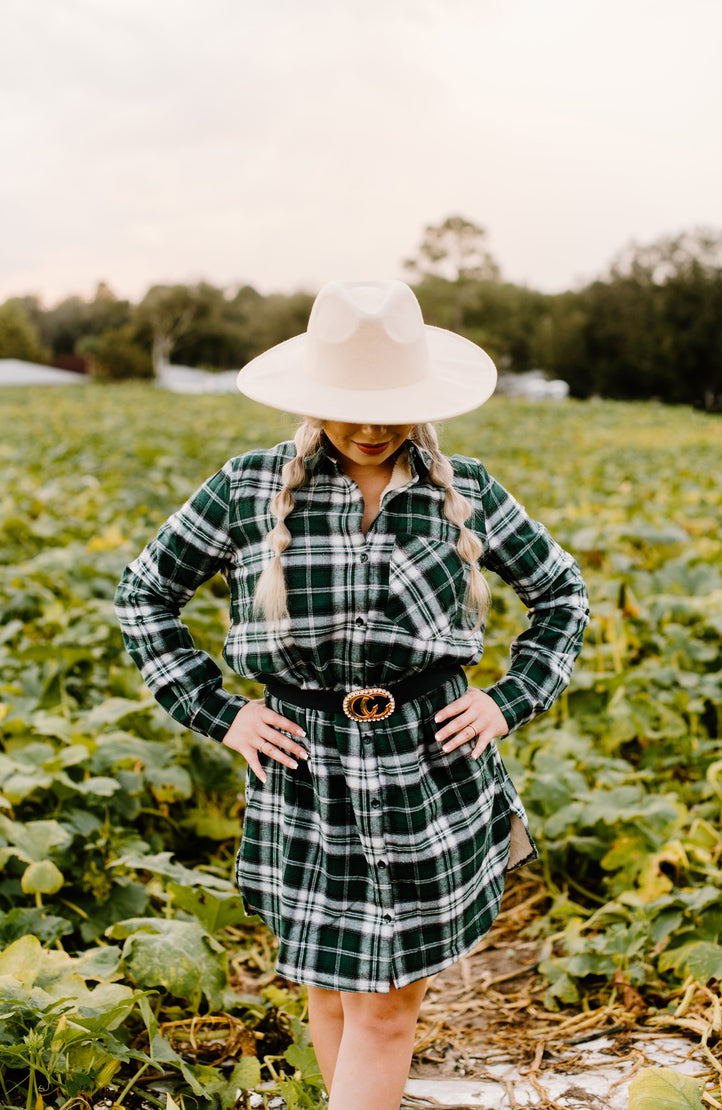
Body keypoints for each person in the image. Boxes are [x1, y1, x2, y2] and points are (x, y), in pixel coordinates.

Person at [115, 280, 589, 1110]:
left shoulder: (465, 490)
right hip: (304, 773)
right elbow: (143, 594)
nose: (369, 427)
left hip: (428, 772)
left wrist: (510, 699)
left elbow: (563, 594)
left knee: (386, 1009)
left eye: (388, 406)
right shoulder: (247, 488)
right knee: (331, 991)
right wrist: (220, 713)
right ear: (311, 397)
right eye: (347, 405)